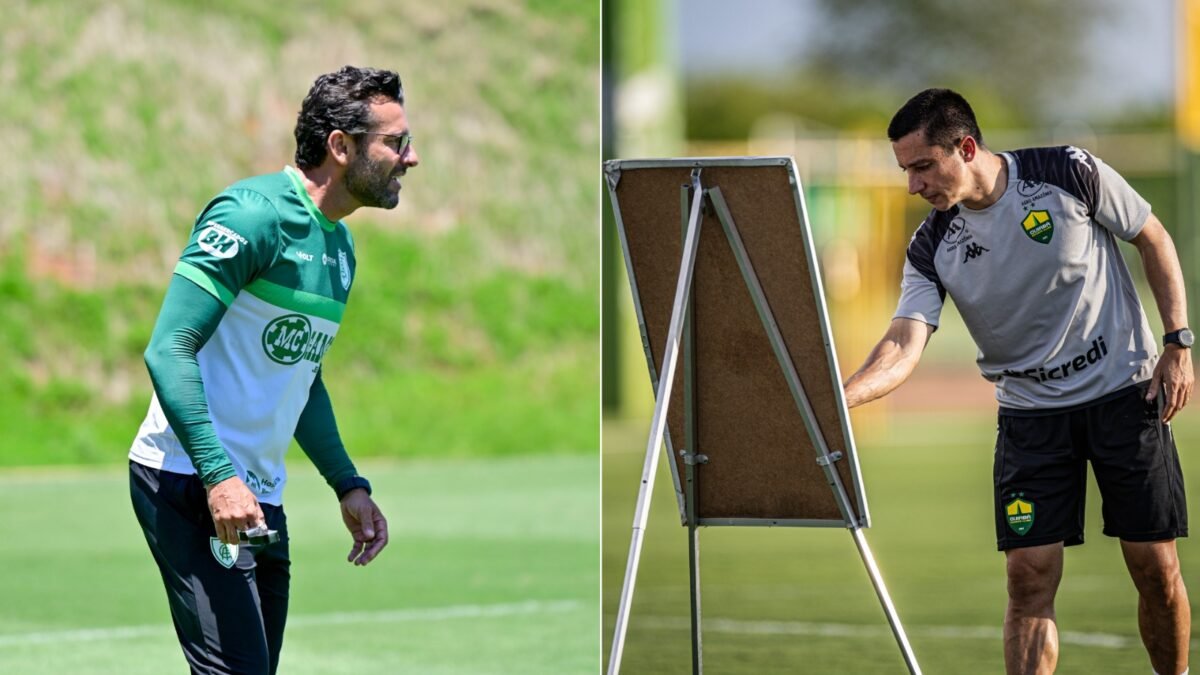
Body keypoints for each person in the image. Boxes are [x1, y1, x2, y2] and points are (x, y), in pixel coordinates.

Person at [843, 88, 1192, 675]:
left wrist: (1178, 342)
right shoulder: (931, 246)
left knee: (1155, 567)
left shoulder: (1068, 172)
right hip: (1031, 418)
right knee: (1027, 577)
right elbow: (903, 344)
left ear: (967, 147)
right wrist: (837, 398)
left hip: (1124, 396)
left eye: (923, 166)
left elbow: (1152, 236)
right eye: (905, 170)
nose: (913, 185)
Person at [128, 65, 420, 675]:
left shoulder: (339, 247)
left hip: (257, 496)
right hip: (190, 480)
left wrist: (348, 483)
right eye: (395, 141)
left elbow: (301, 375)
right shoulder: (251, 215)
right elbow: (168, 349)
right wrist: (218, 477)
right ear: (341, 147)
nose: (410, 158)